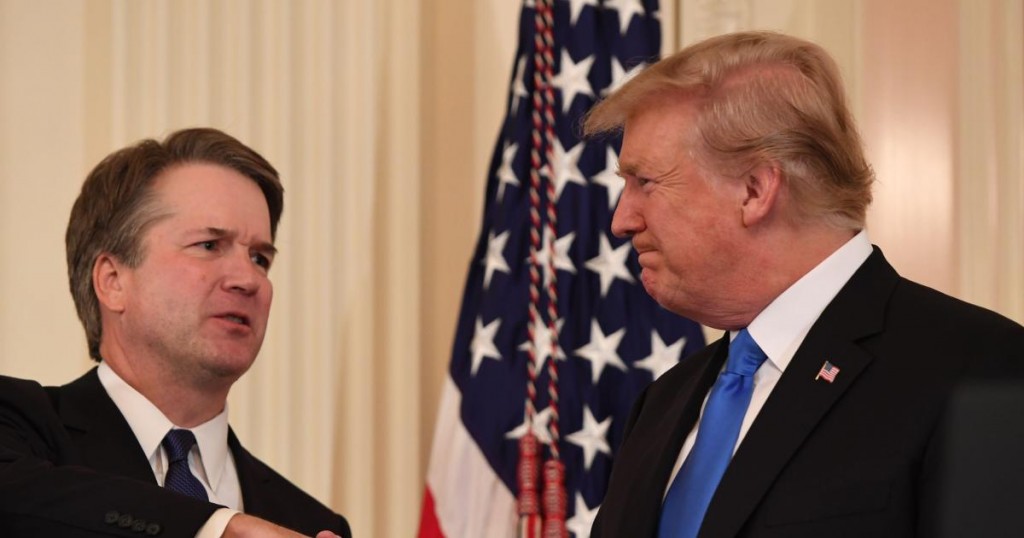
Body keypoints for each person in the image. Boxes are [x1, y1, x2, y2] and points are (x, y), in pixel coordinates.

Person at [583, 31, 1024, 537]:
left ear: (754, 190)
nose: (622, 219)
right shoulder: (664, 402)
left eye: (645, 182)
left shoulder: (984, 372)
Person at [0, 128, 352, 538]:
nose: (248, 279)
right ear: (113, 280)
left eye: (260, 257)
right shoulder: (19, 431)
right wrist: (216, 528)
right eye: (208, 245)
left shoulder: (309, 524)